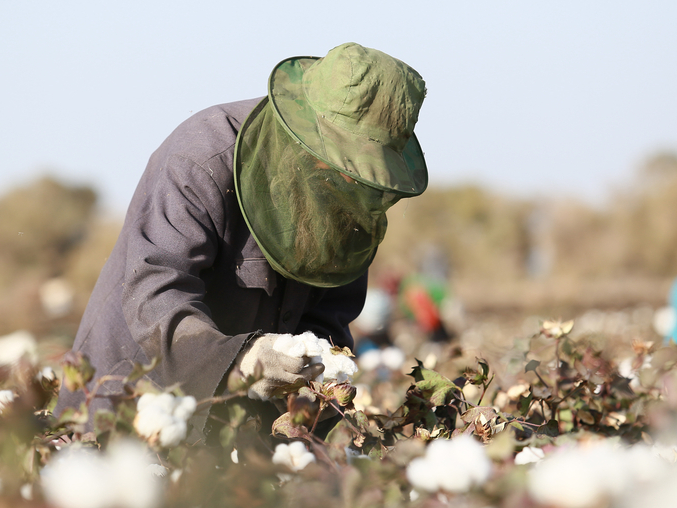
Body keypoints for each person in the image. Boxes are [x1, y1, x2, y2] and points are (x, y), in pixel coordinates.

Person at [54, 42, 429, 441]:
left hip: (236, 429)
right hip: (131, 404)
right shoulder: (200, 158)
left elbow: (328, 315)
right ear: (307, 126)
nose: (349, 177)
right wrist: (245, 360)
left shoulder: (355, 196)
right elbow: (157, 292)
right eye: (342, 158)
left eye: (363, 166)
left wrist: (314, 382)